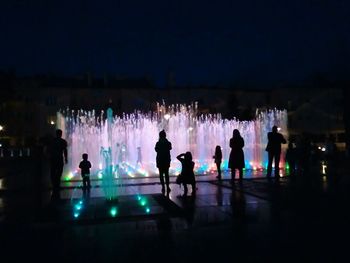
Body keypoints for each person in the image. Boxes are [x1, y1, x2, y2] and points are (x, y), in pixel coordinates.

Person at [49, 129, 68, 200]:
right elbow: (65, 150)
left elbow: (49, 149)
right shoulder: (63, 141)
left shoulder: (52, 141)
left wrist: (49, 156)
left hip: (53, 158)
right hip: (59, 158)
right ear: (61, 134)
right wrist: (66, 158)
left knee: (53, 172)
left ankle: (55, 185)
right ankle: (56, 184)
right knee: (59, 172)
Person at [155, 130, 172, 194]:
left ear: (160, 136)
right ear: (165, 136)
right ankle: (167, 187)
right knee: (166, 174)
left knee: (161, 174)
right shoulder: (168, 142)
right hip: (166, 160)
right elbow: (170, 148)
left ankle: (163, 187)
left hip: (160, 160)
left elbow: (156, 150)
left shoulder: (158, 143)